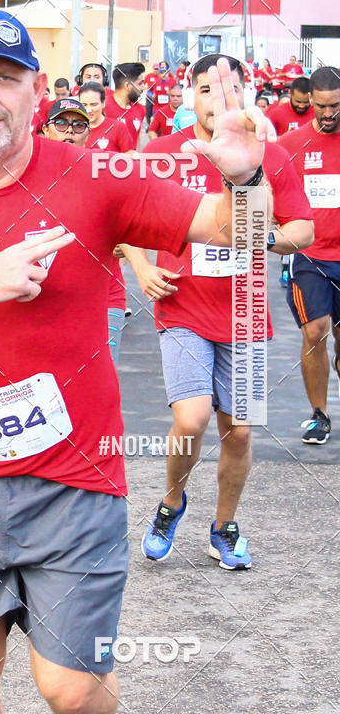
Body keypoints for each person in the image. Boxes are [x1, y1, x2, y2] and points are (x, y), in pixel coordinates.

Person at [0, 7, 273, 714]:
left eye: (5, 79)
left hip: (76, 481)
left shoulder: (96, 178)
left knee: (72, 691)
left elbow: (238, 229)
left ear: (36, 90)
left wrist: (248, 175)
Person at [127, 53, 313, 569]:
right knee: (191, 419)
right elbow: (124, 219)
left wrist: (263, 238)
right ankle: (171, 501)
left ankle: (224, 527)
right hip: (181, 307)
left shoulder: (267, 157)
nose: (219, 97)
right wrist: (141, 270)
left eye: (230, 86)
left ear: (247, 91)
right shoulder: (166, 153)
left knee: (241, 430)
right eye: (207, 88)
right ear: (190, 97)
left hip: (248, 313)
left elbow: (305, 229)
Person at [280, 66, 340, 444]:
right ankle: (319, 414)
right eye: (321, 106)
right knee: (314, 331)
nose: (329, 114)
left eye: (336, 105)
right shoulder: (292, 145)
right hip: (311, 256)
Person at [41, 97, 126, 364]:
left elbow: (137, 219)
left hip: (104, 299)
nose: (69, 131)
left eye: (79, 125)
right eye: (61, 123)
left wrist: (126, 242)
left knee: (101, 381)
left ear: (89, 133)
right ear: (45, 129)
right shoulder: (25, 176)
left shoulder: (107, 172)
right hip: (45, 301)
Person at [79, 82, 134, 152]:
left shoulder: (118, 127)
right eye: (84, 105)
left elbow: (130, 154)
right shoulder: (73, 129)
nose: (89, 110)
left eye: (94, 104)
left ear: (103, 103)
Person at [104, 62, 146, 148]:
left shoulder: (141, 110)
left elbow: (136, 140)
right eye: (140, 83)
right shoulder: (103, 107)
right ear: (127, 85)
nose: (143, 87)